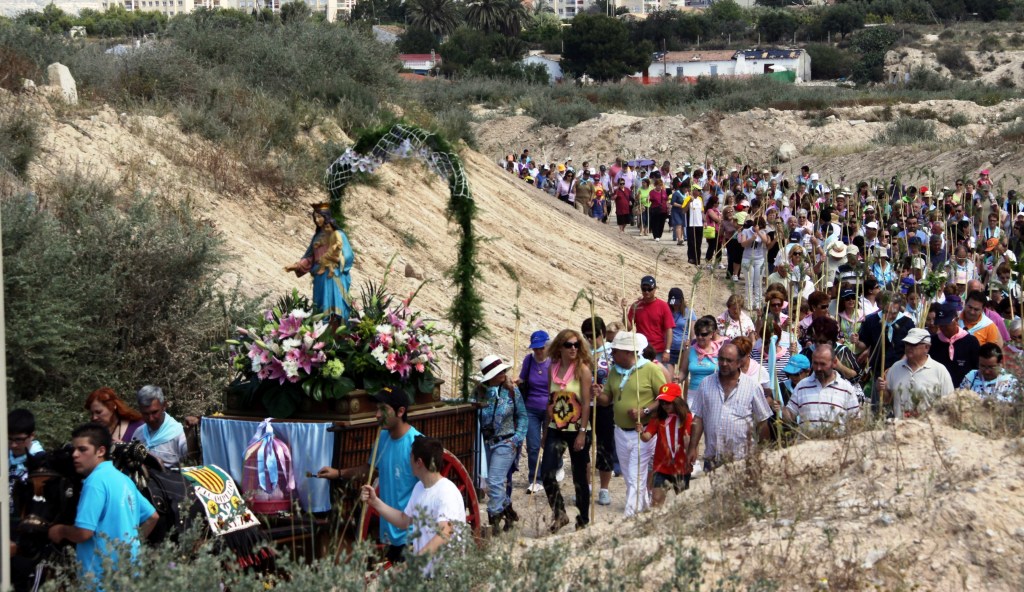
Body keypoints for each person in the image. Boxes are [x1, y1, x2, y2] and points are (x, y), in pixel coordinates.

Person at [317, 388, 421, 564]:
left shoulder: (416, 444)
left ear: (401, 411)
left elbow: (430, 488)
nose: (377, 415)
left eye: (383, 409)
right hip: (388, 531)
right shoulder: (382, 437)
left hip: (411, 535)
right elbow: (369, 469)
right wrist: (338, 473)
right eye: (377, 409)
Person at [48, 423, 159, 584]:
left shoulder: (94, 482)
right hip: (130, 575)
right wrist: (132, 546)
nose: (75, 455)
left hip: (101, 579)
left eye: (82, 449)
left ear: (100, 451)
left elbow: (84, 532)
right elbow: (152, 517)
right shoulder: (123, 479)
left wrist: (60, 531)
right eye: (74, 449)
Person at [359, 436, 467, 574]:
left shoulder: (446, 492)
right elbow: (404, 520)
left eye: (410, 457)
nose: (408, 461)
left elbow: (444, 533)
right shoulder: (419, 488)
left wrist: (411, 563)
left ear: (419, 462)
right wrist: (375, 502)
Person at [605, 332, 665, 517]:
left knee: (635, 474)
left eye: (615, 351)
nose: (612, 354)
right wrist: (597, 394)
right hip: (620, 431)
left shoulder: (651, 369)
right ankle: (644, 510)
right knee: (629, 476)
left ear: (628, 352)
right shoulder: (614, 370)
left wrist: (645, 410)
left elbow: (664, 397)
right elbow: (607, 398)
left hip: (643, 431)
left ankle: (630, 517)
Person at [686, 343, 773, 470]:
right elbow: (698, 418)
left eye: (729, 360)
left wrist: (764, 453)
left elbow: (763, 422)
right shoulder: (705, 384)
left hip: (742, 460)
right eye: (721, 359)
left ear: (739, 363)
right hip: (712, 459)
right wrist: (692, 447)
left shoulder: (752, 386)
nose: (724, 363)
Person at [540, 329, 593, 531]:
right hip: (556, 427)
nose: (573, 349)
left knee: (579, 476)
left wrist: (582, 432)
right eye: (568, 345)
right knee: (546, 472)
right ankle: (560, 512)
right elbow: (550, 401)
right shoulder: (551, 369)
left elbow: (587, 404)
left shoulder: (583, 370)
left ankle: (583, 519)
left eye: (576, 345)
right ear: (559, 348)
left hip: (577, 429)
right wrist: (545, 431)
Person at [473, 355, 527, 533]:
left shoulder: (512, 391)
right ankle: (509, 512)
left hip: (506, 442)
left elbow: (522, 417)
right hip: (485, 443)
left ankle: (494, 518)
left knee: (495, 481)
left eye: (503, 370)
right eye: (499, 372)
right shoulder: (478, 393)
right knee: (490, 482)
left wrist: (516, 439)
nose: (503, 373)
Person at [285, 203, 355, 321]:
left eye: (319, 217)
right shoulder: (317, 237)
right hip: (320, 275)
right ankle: (322, 334)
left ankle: (338, 332)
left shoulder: (339, 234)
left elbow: (348, 255)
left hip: (334, 274)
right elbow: (310, 257)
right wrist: (296, 266)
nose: (317, 220)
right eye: (315, 217)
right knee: (321, 306)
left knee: (337, 308)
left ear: (326, 217)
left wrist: (336, 260)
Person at [581, 317, 618, 507]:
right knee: (583, 446)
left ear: (602, 334)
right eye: (586, 336)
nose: (589, 339)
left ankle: (604, 489)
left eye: (593, 335)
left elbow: (619, 374)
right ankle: (585, 487)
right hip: (585, 404)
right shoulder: (581, 352)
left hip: (605, 404)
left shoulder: (612, 351)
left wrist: (607, 390)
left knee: (604, 447)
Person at [784, 344, 860, 434]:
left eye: (823, 364)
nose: (818, 368)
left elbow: (855, 422)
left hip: (835, 445)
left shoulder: (847, 389)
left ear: (834, 362)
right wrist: (781, 410)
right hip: (807, 445)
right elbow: (790, 415)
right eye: (815, 363)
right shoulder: (802, 386)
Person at [879, 328, 955, 418]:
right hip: (900, 428)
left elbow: (950, 404)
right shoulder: (895, 368)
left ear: (926, 347)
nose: (908, 347)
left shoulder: (939, 371)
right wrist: (882, 390)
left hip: (929, 429)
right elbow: (887, 400)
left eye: (913, 344)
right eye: (907, 343)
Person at [639, 383, 692, 507]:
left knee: (682, 502)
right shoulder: (658, 417)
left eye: (668, 402)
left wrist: (689, 446)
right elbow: (646, 437)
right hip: (661, 466)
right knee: (656, 499)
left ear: (677, 401)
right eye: (662, 402)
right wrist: (641, 431)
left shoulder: (686, 417)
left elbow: (688, 438)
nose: (665, 405)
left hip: (681, 466)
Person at [517, 330, 552, 494]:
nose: (538, 351)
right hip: (530, 408)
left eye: (541, 348)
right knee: (533, 445)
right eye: (535, 348)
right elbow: (522, 378)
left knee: (550, 444)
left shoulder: (554, 362)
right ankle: (535, 479)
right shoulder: (528, 360)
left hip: (550, 408)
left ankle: (550, 473)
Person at [132, 385, 188, 469]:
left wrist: (191, 434)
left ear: (164, 406)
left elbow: (191, 456)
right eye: (145, 414)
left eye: (154, 412)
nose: (150, 418)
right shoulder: (138, 433)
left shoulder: (177, 433)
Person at [623, 275, 675, 366]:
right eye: (644, 289)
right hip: (641, 349)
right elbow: (628, 327)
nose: (646, 292)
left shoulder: (663, 306)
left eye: (649, 289)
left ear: (654, 289)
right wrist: (624, 311)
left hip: (658, 350)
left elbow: (669, 329)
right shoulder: (636, 306)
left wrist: (667, 350)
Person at [930, 301, 980, 387]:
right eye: (941, 325)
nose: (943, 328)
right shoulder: (933, 342)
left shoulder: (971, 342)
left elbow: (976, 369)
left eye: (946, 324)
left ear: (956, 320)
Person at [8, 409, 43, 521]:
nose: (13, 445)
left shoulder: (42, 461)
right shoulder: (4, 456)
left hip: (28, 524)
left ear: (32, 435)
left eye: (19, 440)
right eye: (9, 439)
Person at [679, 316, 724, 394]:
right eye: (697, 334)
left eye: (704, 334)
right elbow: (683, 372)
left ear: (711, 334)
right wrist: (677, 378)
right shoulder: (689, 351)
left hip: (714, 392)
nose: (700, 337)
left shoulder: (720, 351)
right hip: (694, 392)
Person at [667, 287, 697, 371]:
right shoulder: (666, 310)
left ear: (681, 301)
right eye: (672, 303)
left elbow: (693, 334)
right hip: (670, 348)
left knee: (682, 375)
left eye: (677, 303)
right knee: (670, 377)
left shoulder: (689, 312)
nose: (674, 305)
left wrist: (690, 343)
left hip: (683, 349)